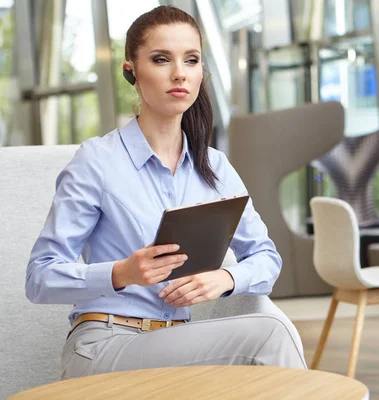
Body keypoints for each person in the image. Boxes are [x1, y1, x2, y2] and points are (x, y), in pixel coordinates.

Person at [25, 5, 306, 379]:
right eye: (161, 59)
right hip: (103, 346)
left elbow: (266, 257)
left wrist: (225, 279)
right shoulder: (97, 161)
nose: (179, 73)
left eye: (191, 60)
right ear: (132, 72)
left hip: (178, 342)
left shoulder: (215, 167)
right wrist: (122, 272)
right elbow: (39, 278)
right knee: (270, 334)